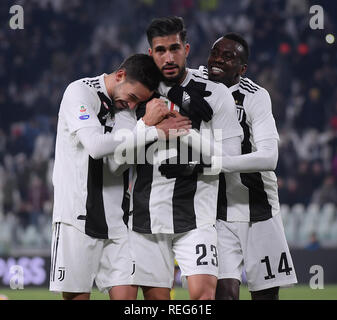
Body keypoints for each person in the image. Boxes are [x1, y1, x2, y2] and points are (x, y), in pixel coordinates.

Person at [49, 53, 192, 300]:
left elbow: (116, 164)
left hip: (116, 223)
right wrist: (151, 130)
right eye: (133, 97)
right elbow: (95, 146)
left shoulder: (125, 110)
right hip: (76, 218)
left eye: (140, 102)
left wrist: (146, 129)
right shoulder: (79, 93)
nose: (133, 105)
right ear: (120, 75)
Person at [129, 17, 243, 300]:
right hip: (147, 217)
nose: (168, 57)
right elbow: (120, 151)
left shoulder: (216, 94)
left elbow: (233, 159)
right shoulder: (137, 92)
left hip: (197, 216)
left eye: (174, 48)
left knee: (204, 298)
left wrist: (194, 159)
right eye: (160, 50)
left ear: (187, 49)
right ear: (150, 53)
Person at [202, 33, 298, 300]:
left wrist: (219, 164)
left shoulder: (255, 96)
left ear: (242, 69)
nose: (217, 60)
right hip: (217, 213)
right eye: (215, 52)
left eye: (228, 56)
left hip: (259, 208)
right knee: (223, 294)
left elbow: (270, 158)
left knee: (265, 296)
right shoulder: (197, 85)